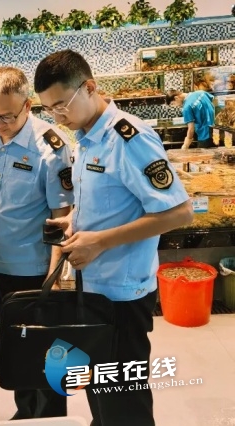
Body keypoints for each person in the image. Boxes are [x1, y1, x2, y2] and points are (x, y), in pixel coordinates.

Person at [35, 49, 193, 426]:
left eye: (61, 105)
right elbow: (112, 203)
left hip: (122, 296)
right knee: (103, 397)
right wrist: (73, 222)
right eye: (49, 109)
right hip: (94, 290)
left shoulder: (128, 138)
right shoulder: (86, 138)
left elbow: (179, 212)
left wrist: (100, 242)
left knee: (125, 407)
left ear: (89, 87)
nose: (57, 117)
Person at [0, 66, 74, 420]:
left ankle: (50, 418)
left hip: (33, 269)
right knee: (13, 343)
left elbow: (62, 214)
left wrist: (54, 275)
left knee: (44, 350)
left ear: (27, 106)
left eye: (7, 117)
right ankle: (26, 412)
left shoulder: (50, 147)